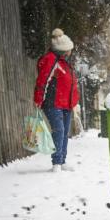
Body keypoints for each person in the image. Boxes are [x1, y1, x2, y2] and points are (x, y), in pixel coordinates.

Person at [33, 28, 79, 172]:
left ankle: (62, 160)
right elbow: (43, 80)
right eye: (69, 49)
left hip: (65, 104)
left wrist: (74, 103)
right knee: (59, 130)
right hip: (53, 103)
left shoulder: (63, 62)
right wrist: (39, 99)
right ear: (63, 50)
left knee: (64, 132)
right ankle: (56, 163)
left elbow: (71, 84)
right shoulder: (51, 60)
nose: (70, 51)